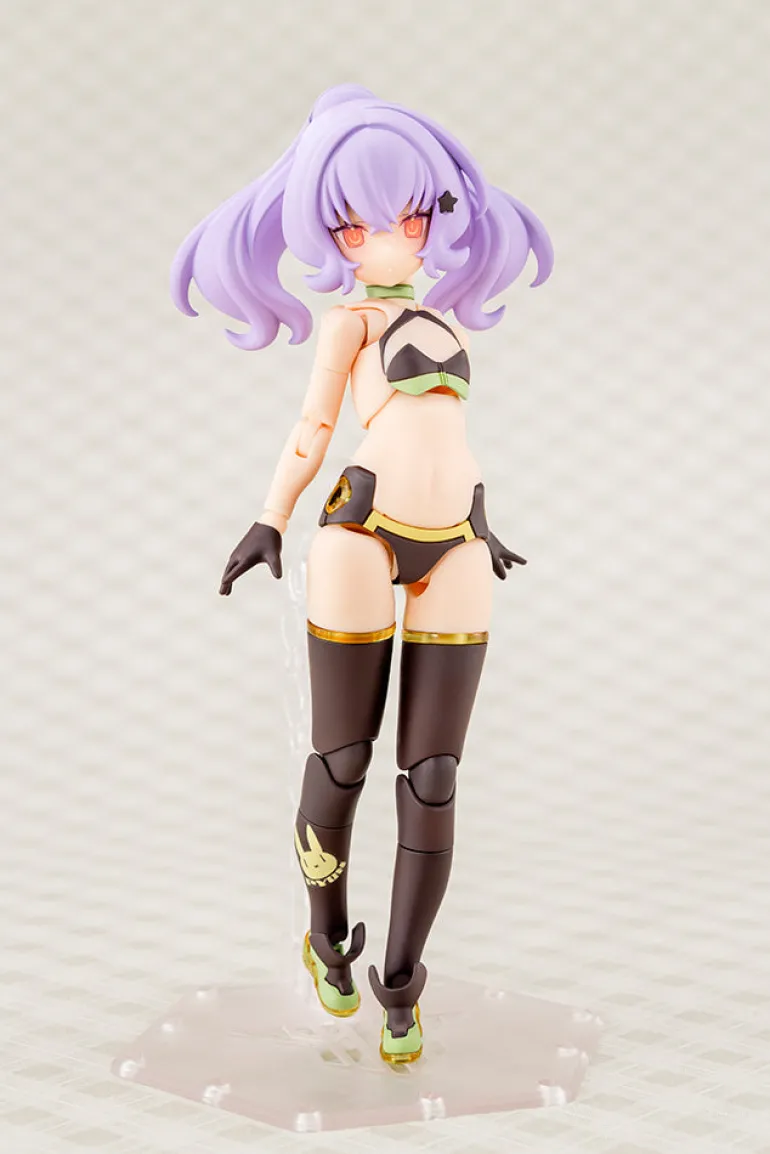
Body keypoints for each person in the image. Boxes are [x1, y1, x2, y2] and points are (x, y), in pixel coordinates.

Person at [171, 83, 553, 1063]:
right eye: (359, 223)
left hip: (457, 541)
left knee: (433, 775)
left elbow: (445, 434)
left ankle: (402, 980)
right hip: (360, 530)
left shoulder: (447, 319)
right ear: (330, 234)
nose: (391, 238)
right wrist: (269, 517)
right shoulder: (348, 324)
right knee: (343, 756)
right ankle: (326, 929)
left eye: (412, 214)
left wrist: (481, 520)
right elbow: (312, 427)